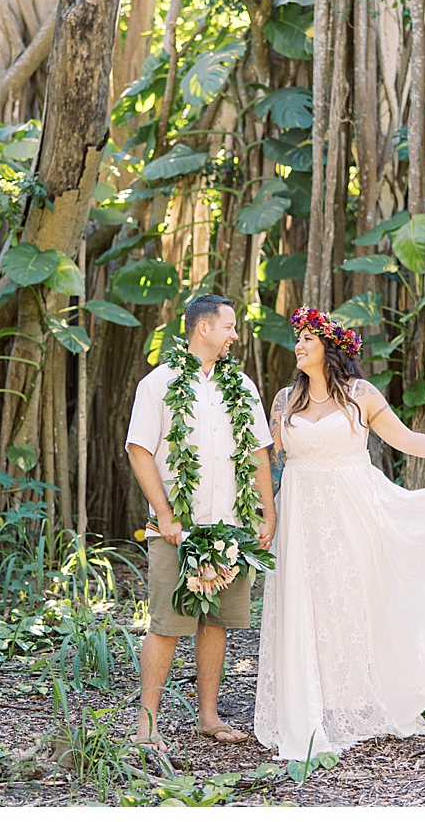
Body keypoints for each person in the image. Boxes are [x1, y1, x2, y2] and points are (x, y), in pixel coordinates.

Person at [255, 307, 425, 760]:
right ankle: (311, 701)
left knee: (351, 600)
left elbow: (402, 439)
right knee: (305, 602)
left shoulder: (359, 394)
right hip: (301, 514)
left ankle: (355, 700)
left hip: (353, 510)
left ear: (329, 346)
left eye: (307, 339)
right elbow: (272, 460)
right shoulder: (285, 399)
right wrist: (264, 511)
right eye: (298, 339)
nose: (298, 346)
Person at [125, 294, 276, 752]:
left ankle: (208, 717)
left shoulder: (243, 387)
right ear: (203, 329)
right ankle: (146, 724)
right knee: (168, 625)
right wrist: (166, 515)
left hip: (230, 527)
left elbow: (258, 453)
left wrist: (267, 512)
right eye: (229, 326)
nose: (235, 335)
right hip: (178, 530)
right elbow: (139, 449)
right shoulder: (159, 383)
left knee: (217, 624)